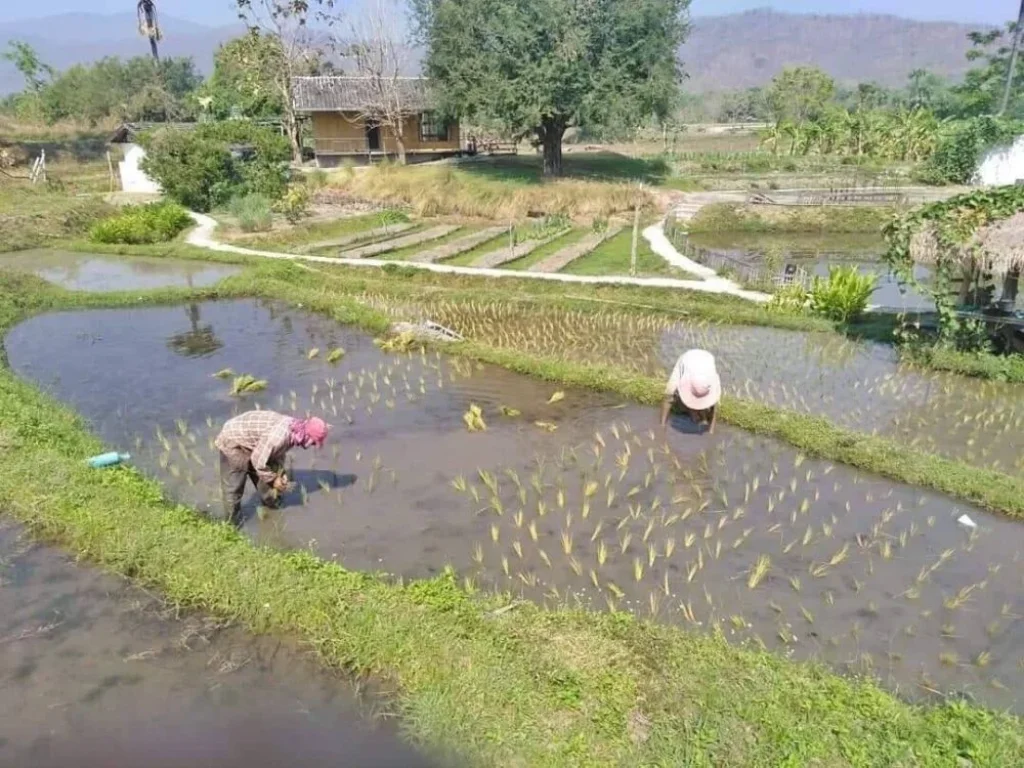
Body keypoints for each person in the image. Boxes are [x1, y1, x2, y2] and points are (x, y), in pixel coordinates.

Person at [214, 410, 330, 524]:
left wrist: (280, 472)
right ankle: (232, 525)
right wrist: (274, 480)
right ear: (307, 435)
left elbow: (276, 453)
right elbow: (258, 461)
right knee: (234, 487)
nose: (313, 445)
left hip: (255, 443)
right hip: (234, 440)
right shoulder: (279, 436)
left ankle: (273, 514)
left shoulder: (295, 430)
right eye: (314, 442)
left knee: (268, 482)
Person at [660, 349, 721, 434]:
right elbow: (668, 398)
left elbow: (714, 408)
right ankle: (691, 411)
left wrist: (711, 431)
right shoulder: (684, 371)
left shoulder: (710, 381)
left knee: (703, 415)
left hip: (706, 362)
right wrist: (662, 426)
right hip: (687, 361)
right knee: (670, 392)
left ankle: (693, 412)